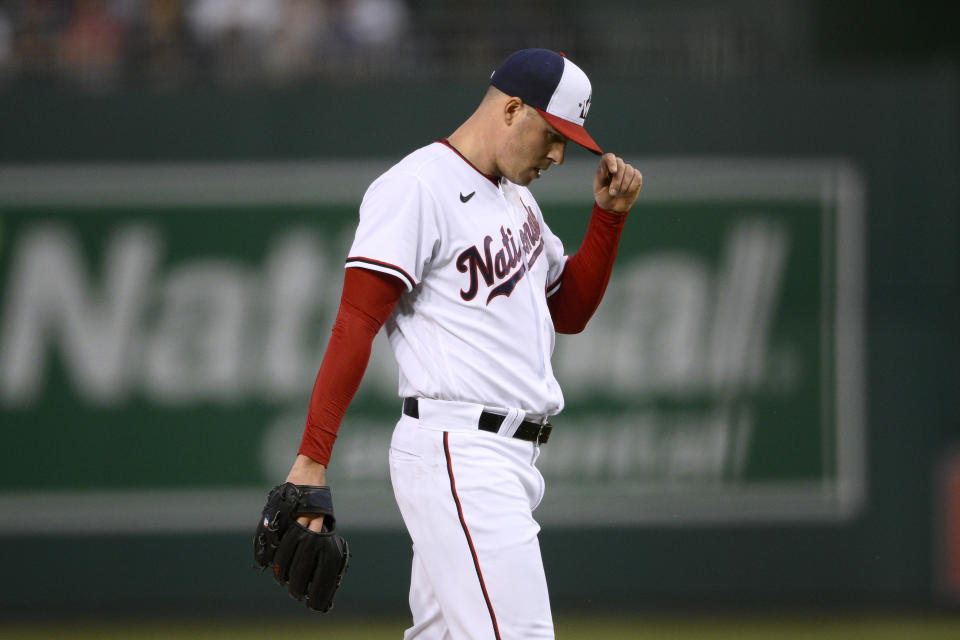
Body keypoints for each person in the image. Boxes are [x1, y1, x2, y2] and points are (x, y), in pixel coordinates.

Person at [281, 48, 641, 638]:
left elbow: (568, 311)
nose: (557, 155)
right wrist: (310, 463)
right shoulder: (417, 186)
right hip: (460, 451)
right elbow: (354, 325)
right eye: (552, 135)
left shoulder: (517, 196)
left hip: (504, 458)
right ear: (512, 109)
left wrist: (608, 219)